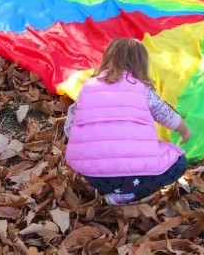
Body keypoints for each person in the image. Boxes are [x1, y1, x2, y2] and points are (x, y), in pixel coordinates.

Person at [64, 38, 191, 205]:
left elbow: (72, 119)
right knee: (179, 162)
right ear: (141, 64)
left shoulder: (88, 86)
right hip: (132, 174)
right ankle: (127, 194)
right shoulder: (142, 89)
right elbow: (165, 114)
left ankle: (111, 189)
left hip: (92, 173)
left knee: (107, 162)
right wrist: (185, 131)